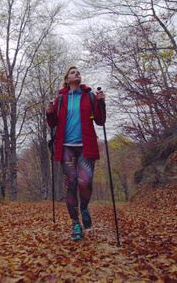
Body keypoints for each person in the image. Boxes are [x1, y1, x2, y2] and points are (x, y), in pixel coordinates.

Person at [46, 66, 106, 241]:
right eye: (73, 73)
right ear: (67, 80)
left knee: (85, 182)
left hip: (86, 146)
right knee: (70, 184)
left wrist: (102, 104)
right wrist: (49, 114)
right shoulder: (61, 99)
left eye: (78, 72)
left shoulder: (90, 96)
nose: (77, 74)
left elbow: (101, 121)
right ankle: (76, 225)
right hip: (66, 147)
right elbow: (53, 124)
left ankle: (84, 208)